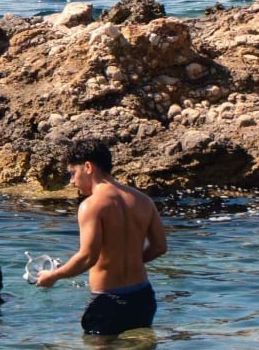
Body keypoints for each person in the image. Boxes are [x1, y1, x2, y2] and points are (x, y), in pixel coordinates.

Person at [36, 139, 167, 336]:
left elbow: (88, 257)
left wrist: (53, 276)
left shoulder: (92, 205)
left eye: (73, 173)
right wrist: (131, 261)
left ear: (88, 167)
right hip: (143, 297)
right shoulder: (144, 201)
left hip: (108, 300)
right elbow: (159, 247)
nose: (72, 181)